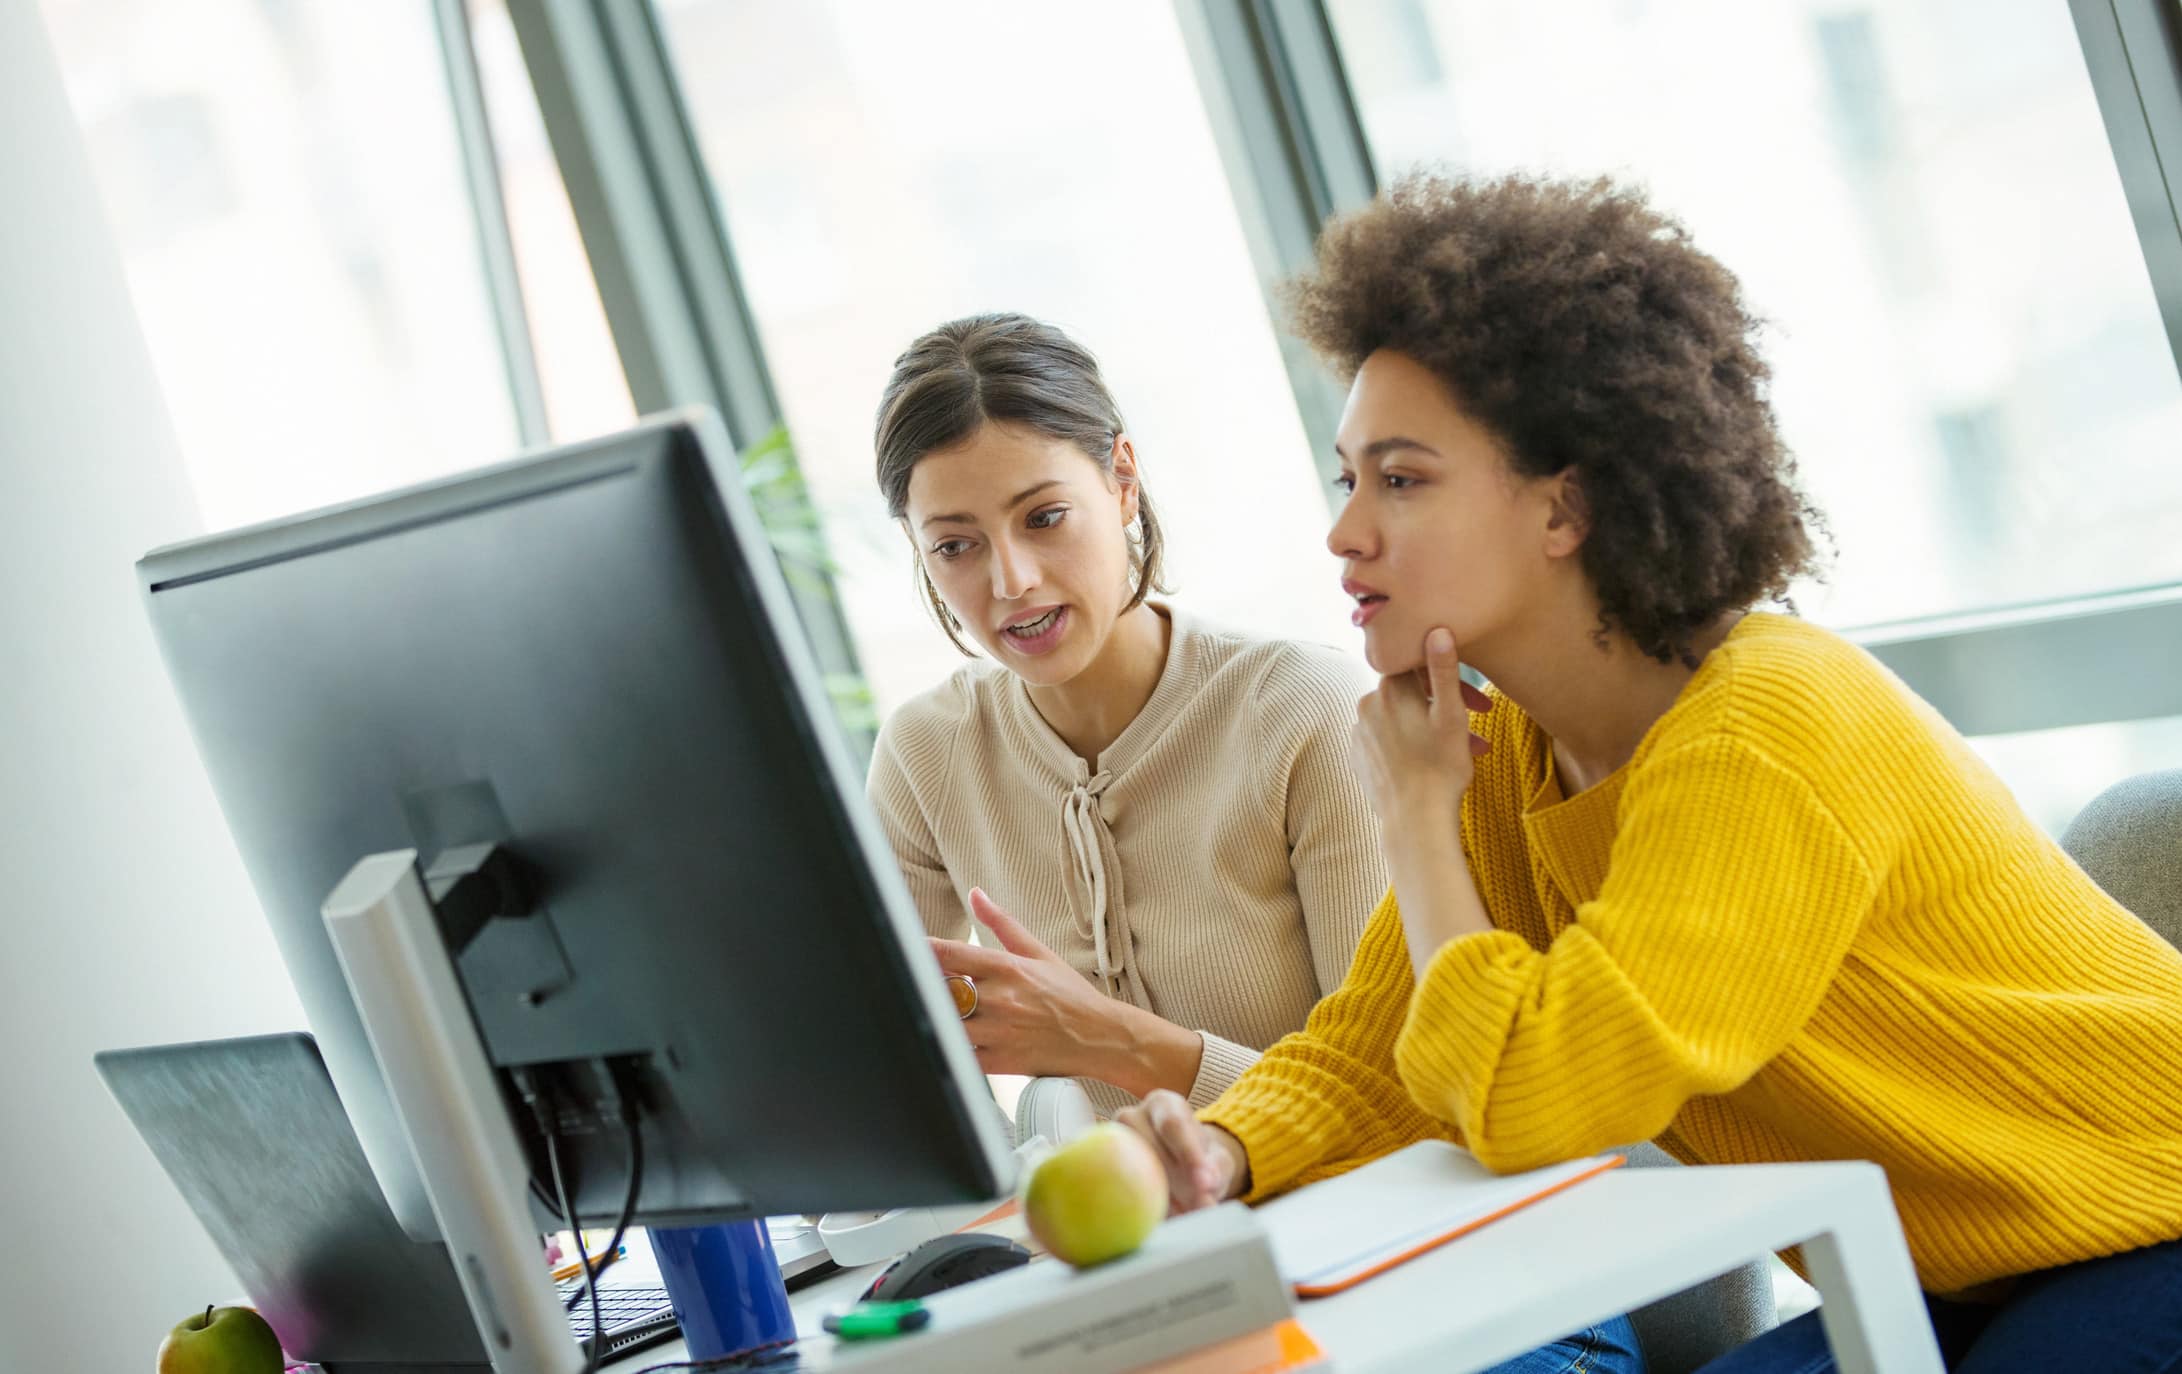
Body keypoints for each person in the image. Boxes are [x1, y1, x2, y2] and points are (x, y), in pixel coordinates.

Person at [1114, 173, 2182, 1373]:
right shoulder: (1513, 751)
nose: (1345, 531)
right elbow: (1379, 1054)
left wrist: (1412, 814)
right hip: (1974, 1277)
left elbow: (1533, 1104)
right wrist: (1220, 1152)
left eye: (1401, 479)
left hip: (2157, 1233)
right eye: (1346, 478)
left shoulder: (1762, 729)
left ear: (1564, 507)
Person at [865, 312, 1384, 1117]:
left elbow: (1390, 1101)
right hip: (1108, 1237)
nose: (1012, 580)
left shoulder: (1303, 709)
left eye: (1044, 517)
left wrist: (1107, 1041)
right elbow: (877, 1059)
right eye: (955, 546)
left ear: (1123, 482)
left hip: (1357, 1221)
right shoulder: (925, 753)